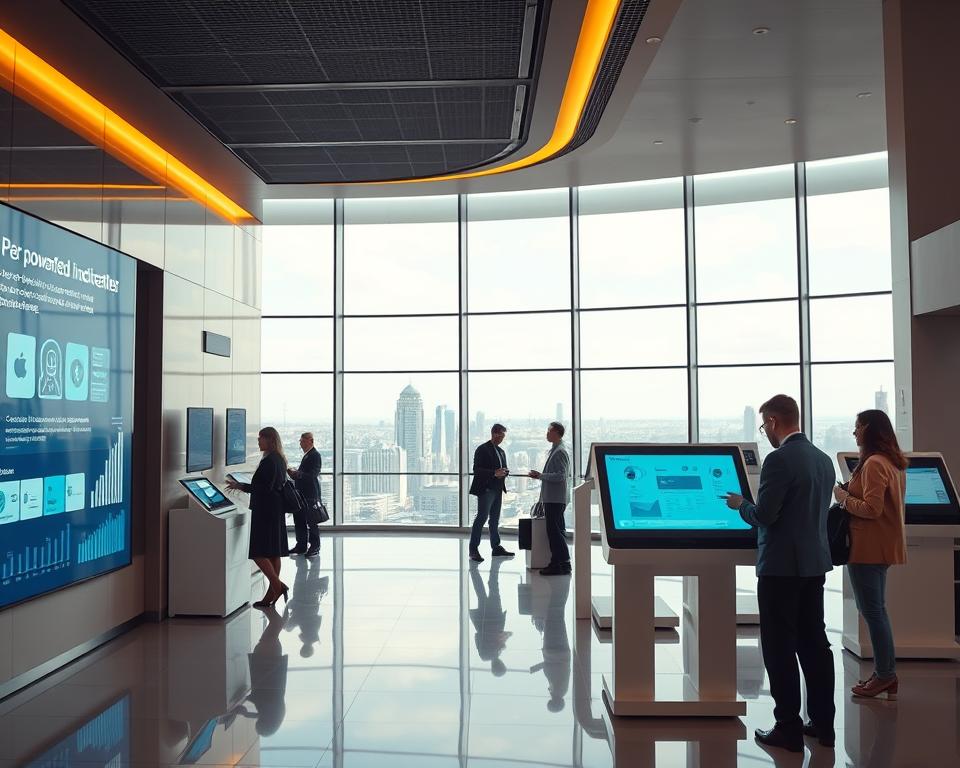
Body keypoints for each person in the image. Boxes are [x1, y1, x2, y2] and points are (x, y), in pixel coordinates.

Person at [723, 394, 836, 753]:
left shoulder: (779, 460)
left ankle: (787, 726)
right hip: (814, 565)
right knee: (815, 644)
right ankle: (823, 724)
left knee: (779, 648)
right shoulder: (822, 459)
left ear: (773, 421)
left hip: (780, 569)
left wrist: (742, 506)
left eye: (764, 425)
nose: (765, 432)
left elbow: (765, 516)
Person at [832, 409, 907, 700]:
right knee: (877, 611)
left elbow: (872, 509)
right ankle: (884, 673)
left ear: (870, 431)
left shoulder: (875, 463)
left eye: (858, 427)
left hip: (868, 548)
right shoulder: (892, 462)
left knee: (873, 612)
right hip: (882, 547)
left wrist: (843, 498)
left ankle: (886, 675)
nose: (855, 432)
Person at [227, 427, 290, 608]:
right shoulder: (278, 459)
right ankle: (272, 593)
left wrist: (241, 486)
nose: (258, 442)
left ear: (270, 440)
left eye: (260, 439)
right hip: (275, 510)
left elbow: (263, 489)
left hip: (265, 511)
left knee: (258, 552)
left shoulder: (270, 461)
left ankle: (278, 586)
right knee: (273, 552)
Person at [527, 422, 571, 575]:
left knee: (555, 532)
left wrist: (540, 475)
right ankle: (559, 563)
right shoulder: (556, 450)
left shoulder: (560, 452)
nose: (546, 433)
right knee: (556, 531)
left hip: (556, 498)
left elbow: (561, 475)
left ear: (557, 433)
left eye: (549, 430)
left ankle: (562, 564)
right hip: (554, 498)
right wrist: (540, 475)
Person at [468, 423, 513, 562]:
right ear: (494, 433)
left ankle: (496, 547)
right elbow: (477, 470)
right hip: (486, 489)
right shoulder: (482, 449)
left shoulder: (501, 451)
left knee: (494, 520)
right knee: (481, 518)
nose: (502, 439)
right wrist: (494, 473)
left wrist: (504, 472)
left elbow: (502, 468)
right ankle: (473, 550)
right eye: (501, 436)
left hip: (498, 489)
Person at [469, 557, 511, 676]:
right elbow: (477, 637)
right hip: (483, 620)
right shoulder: (485, 655)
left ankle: (495, 564)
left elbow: (497, 636)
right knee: (481, 593)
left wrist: (504, 636)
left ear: (501, 665)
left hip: (495, 618)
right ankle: (473, 568)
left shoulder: (497, 650)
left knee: (493, 587)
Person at [287, 432, 322, 557]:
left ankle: (315, 546)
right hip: (301, 494)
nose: (300, 443)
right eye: (300, 441)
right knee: (300, 519)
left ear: (310, 441)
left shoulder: (315, 455)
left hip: (310, 494)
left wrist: (297, 474)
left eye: (302, 441)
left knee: (311, 521)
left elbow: (313, 474)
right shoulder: (307, 455)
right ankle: (301, 545)